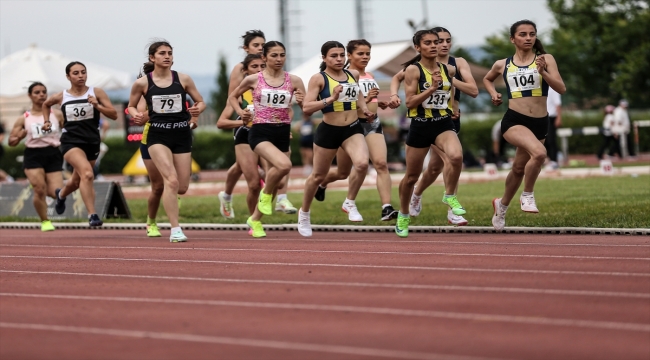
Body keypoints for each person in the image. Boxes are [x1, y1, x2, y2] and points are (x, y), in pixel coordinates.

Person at [390, 27, 478, 226]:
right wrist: (431, 89)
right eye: (428, 43)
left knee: (455, 157)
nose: (435, 46)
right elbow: (410, 102)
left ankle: (449, 196)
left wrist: (453, 105)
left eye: (436, 42)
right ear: (417, 47)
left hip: (443, 123)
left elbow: (452, 91)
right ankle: (403, 214)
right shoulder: (413, 70)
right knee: (412, 176)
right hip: (420, 125)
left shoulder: (450, 69)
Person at [484, 19, 566, 231]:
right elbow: (487, 79)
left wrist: (544, 73)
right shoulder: (503, 64)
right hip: (514, 120)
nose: (528, 38)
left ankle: (501, 206)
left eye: (532, 34)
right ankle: (527, 195)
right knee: (539, 154)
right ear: (513, 39)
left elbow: (561, 88)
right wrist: (493, 93)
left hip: (540, 122)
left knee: (519, 168)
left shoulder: (545, 59)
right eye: (523, 34)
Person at [127, 40, 205, 242]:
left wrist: (197, 110)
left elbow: (201, 101)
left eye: (170, 53)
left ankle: (170, 200)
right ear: (152, 58)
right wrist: (136, 114)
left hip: (181, 134)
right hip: (156, 135)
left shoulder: (183, 79)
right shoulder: (143, 83)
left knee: (181, 187)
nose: (167, 56)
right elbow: (131, 106)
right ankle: (175, 229)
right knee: (167, 181)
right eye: (162, 53)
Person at [313, 39, 398, 221]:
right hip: (351, 126)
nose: (365, 57)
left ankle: (386, 207)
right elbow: (348, 104)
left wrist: (380, 103)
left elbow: (370, 101)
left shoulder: (370, 76)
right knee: (343, 172)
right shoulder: (344, 77)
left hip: (372, 124)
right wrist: (366, 100)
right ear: (349, 56)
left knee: (381, 164)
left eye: (368, 53)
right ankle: (322, 183)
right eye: (361, 53)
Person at [228, 41, 306, 238]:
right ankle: (265, 197)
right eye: (274, 55)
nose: (279, 59)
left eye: (282, 55)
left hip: (282, 132)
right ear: (264, 57)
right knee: (285, 165)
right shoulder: (254, 79)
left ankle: (255, 220)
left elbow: (306, 109)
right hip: (260, 131)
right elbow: (232, 97)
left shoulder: (295, 80)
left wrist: (304, 101)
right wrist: (241, 112)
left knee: (276, 178)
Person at [298, 41, 375, 237]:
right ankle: (304, 213)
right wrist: (330, 99)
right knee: (317, 176)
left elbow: (357, 94)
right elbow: (306, 108)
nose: (339, 59)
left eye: (342, 55)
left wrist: (364, 109)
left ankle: (349, 202)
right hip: (329, 131)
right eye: (334, 56)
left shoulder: (353, 75)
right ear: (324, 58)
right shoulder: (319, 79)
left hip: (351, 129)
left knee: (361, 164)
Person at [42, 61, 118, 227]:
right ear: (68, 77)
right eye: (76, 73)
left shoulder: (96, 93)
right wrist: (47, 121)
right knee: (88, 174)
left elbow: (113, 115)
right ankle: (92, 215)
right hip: (70, 141)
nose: (80, 76)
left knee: (77, 181)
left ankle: (61, 195)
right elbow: (46, 104)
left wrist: (97, 105)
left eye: (83, 72)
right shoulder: (62, 96)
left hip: (91, 142)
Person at [8, 82, 64, 231]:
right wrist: (19, 136)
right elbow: (11, 142)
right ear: (30, 96)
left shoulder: (56, 114)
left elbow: (68, 131)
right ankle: (45, 221)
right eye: (37, 92)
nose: (41, 95)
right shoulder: (24, 118)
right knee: (39, 188)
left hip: (53, 153)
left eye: (44, 92)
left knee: (55, 192)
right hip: (33, 155)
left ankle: (52, 196)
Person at [217, 53, 266, 220]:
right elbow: (221, 122)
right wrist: (243, 121)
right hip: (246, 136)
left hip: (268, 136)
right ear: (245, 71)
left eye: (262, 66)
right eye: (254, 66)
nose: (259, 70)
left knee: (278, 180)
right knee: (253, 185)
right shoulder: (239, 95)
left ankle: (228, 195)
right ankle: (255, 221)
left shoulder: (275, 90)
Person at [544, 87, 562, 168]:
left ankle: (554, 160)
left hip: (551, 117)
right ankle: (548, 159)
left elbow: (557, 104)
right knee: (544, 140)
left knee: (551, 140)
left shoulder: (553, 89)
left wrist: (559, 117)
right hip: (543, 117)